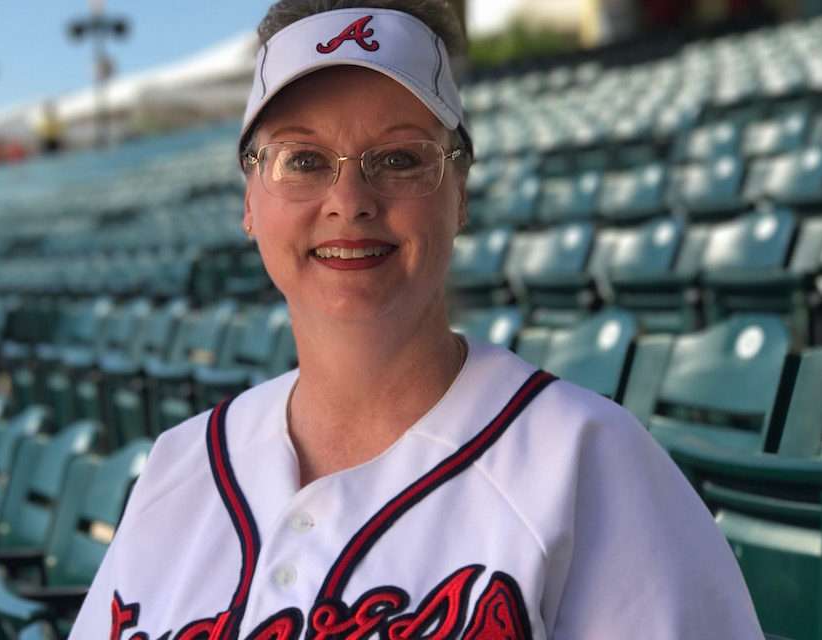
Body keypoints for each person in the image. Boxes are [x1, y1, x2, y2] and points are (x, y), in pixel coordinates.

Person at [71, 2, 764, 638]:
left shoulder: (589, 462)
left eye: (399, 158)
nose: (349, 199)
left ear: (459, 194)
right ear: (250, 202)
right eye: (303, 160)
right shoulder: (177, 466)